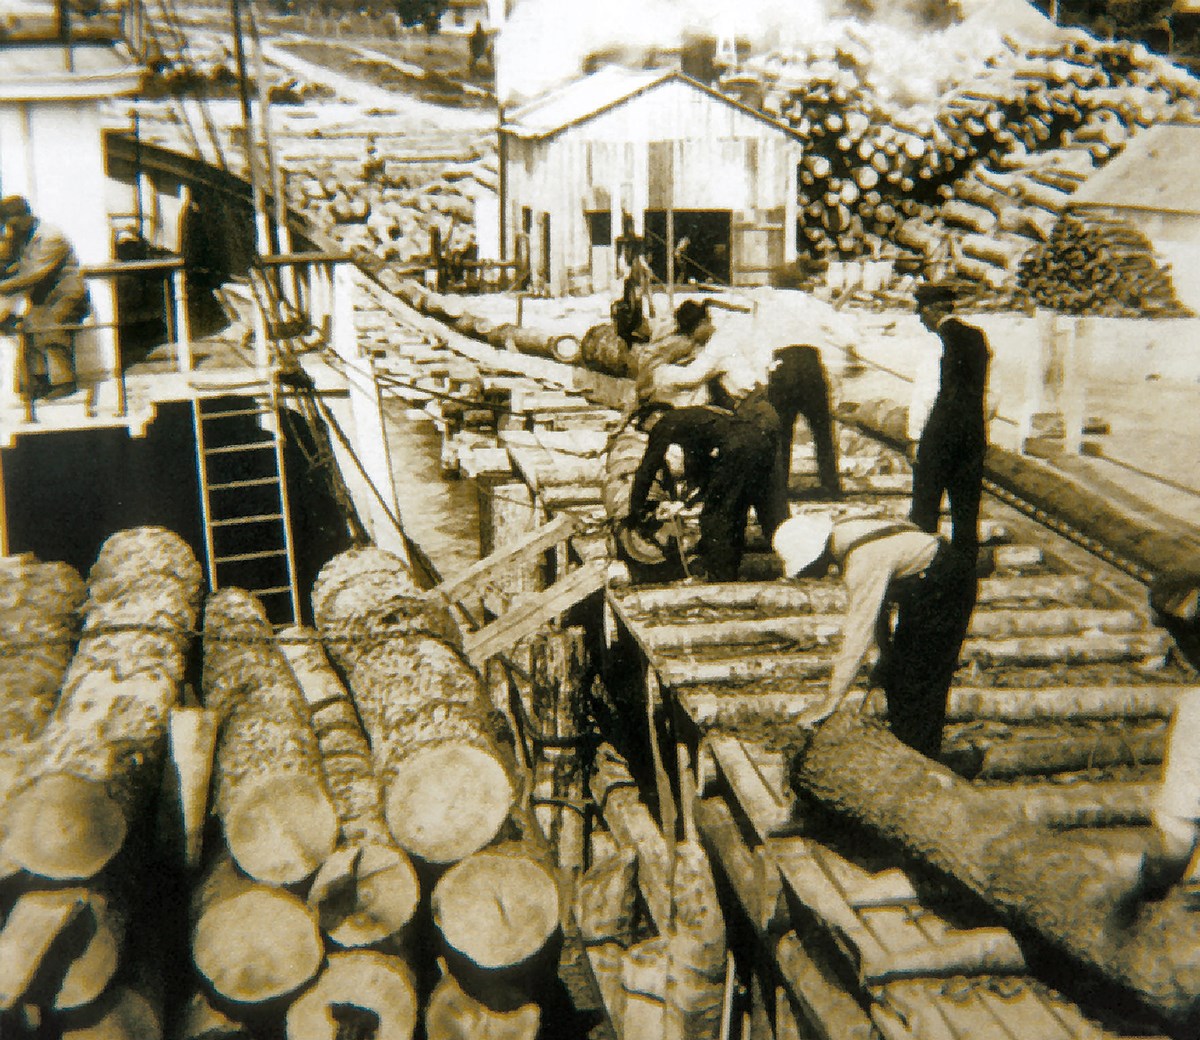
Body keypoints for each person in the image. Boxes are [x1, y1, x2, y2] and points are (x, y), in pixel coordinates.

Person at [772, 509, 979, 758]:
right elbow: (880, 608)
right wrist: (885, 652)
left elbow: (859, 632)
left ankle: (921, 759)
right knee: (899, 674)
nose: (811, 575)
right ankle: (909, 750)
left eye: (808, 569)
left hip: (947, 584)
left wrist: (832, 700)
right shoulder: (849, 531)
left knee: (920, 680)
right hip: (928, 583)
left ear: (817, 555)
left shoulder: (861, 560)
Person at [651, 315, 842, 538]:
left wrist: (662, 373)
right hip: (796, 369)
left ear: (702, 324)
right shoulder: (738, 331)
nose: (694, 341)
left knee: (774, 444)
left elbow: (692, 377)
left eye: (693, 335)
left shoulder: (719, 345)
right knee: (818, 432)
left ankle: (775, 503)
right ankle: (827, 486)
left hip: (759, 398)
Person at [908, 281, 991, 554]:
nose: (920, 320)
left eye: (920, 313)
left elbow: (926, 393)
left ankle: (922, 564)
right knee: (966, 508)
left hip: (940, 431)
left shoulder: (935, 342)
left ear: (932, 310)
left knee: (926, 505)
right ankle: (965, 569)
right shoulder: (979, 337)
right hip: (973, 433)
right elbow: (991, 393)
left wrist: (914, 436)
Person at [0, 195, 90, 400]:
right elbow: (7, 261)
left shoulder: (50, 236)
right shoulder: (23, 235)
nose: (8, 229)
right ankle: (39, 382)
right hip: (44, 298)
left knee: (50, 326)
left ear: (24, 216)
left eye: (11, 223)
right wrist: (7, 244)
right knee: (29, 326)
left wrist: (2, 286)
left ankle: (65, 382)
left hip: (68, 296)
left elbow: (33, 274)